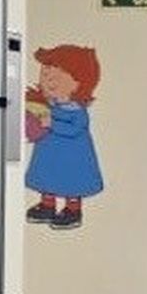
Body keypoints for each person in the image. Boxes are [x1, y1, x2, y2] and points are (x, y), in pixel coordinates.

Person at [24, 43, 105, 231]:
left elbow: (74, 129)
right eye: (45, 76)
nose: (49, 81)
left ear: (79, 83)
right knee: (47, 177)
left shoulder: (77, 111)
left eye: (57, 78)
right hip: (49, 152)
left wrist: (51, 123)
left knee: (71, 181)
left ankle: (72, 209)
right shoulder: (47, 105)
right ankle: (47, 205)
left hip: (72, 155)